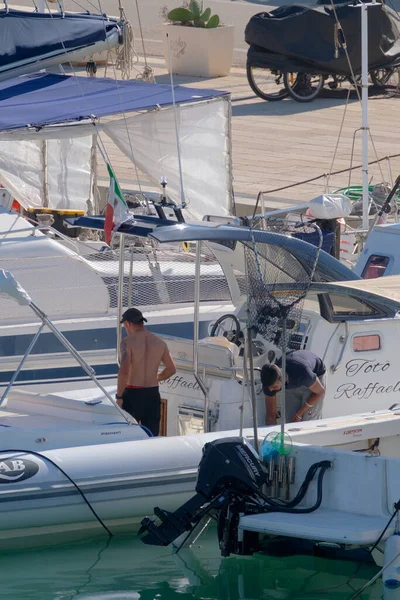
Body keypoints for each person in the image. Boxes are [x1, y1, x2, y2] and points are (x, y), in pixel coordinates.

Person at [115, 307, 176, 436]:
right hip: (152, 393)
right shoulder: (160, 342)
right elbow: (171, 369)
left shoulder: (127, 342)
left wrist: (119, 396)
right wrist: (155, 378)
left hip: (133, 394)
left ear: (128, 324)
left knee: (129, 434)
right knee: (151, 435)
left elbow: (124, 371)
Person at [261, 350, 326, 426]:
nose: (271, 390)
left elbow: (320, 392)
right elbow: (270, 415)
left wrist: (299, 413)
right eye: (269, 388)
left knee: (308, 423)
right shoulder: (269, 383)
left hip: (315, 379)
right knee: (291, 421)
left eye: (274, 387)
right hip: (292, 381)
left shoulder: (304, 373)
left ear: (281, 380)